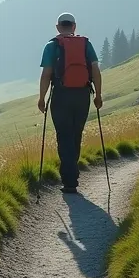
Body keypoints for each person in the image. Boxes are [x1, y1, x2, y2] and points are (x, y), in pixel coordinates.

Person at [37, 12, 103, 194]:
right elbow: (96, 70)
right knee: (76, 134)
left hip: (61, 96)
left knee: (64, 135)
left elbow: (46, 75)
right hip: (83, 95)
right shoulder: (85, 44)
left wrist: (42, 97)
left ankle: (70, 180)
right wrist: (98, 94)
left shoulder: (52, 46)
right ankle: (72, 173)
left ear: (58, 27)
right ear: (74, 27)